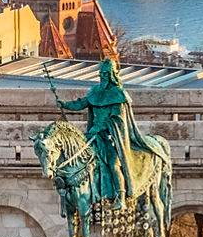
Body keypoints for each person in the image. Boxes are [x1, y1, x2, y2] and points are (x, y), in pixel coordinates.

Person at [51, 57, 164, 204]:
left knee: (113, 162)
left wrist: (103, 127)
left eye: (105, 74)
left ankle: (121, 196)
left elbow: (117, 119)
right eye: (101, 74)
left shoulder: (118, 94)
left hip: (110, 136)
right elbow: (82, 103)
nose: (102, 76)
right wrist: (65, 104)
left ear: (112, 74)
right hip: (93, 135)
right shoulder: (95, 91)